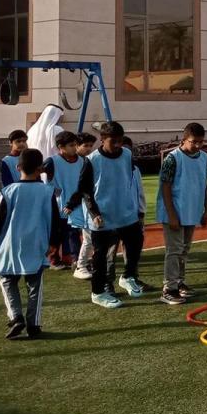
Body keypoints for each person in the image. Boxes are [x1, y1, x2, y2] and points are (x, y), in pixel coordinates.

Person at [67, 120, 144, 309]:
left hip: (126, 212)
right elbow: (85, 190)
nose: (118, 145)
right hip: (102, 216)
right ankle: (98, 292)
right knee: (100, 256)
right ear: (102, 140)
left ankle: (128, 277)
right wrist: (94, 213)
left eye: (120, 141)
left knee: (136, 242)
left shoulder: (127, 154)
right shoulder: (92, 160)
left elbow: (127, 178)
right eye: (113, 141)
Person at [0, 148, 60, 339]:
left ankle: (16, 316)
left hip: (11, 244)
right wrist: (54, 243)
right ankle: (33, 325)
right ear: (40, 169)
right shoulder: (47, 192)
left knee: (7, 280)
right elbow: (55, 219)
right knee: (35, 285)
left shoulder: (8, 191)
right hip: (36, 243)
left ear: (18, 167)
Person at [156, 122, 207, 305]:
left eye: (201, 142)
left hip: (192, 211)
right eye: (194, 142)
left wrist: (206, 210)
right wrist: (171, 215)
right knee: (174, 250)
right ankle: (169, 288)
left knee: (184, 249)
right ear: (184, 139)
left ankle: (179, 282)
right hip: (175, 212)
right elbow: (165, 187)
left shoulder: (204, 157)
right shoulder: (173, 158)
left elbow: (205, 184)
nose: (198, 145)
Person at [41, 130, 84, 269]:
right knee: (57, 233)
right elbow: (37, 173)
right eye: (71, 145)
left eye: (76, 145)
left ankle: (72, 258)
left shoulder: (82, 161)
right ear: (61, 146)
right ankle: (54, 259)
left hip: (76, 203)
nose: (75, 148)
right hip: (57, 205)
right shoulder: (52, 161)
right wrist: (52, 191)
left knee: (73, 232)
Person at [118, 136, 152, 296]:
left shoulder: (135, 169)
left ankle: (132, 277)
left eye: (128, 149)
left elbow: (139, 192)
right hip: (115, 216)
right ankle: (107, 285)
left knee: (132, 249)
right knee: (109, 251)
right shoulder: (109, 167)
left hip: (133, 215)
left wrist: (141, 210)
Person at [71, 132, 97, 280]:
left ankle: (88, 263)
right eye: (85, 145)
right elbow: (81, 187)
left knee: (94, 237)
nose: (88, 148)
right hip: (83, 203)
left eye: (90, 146)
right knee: (87, 237)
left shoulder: (90, 160)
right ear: (77, 146)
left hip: (90, 202)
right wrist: (71, 203)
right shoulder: (80, 162)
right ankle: (80, 265)